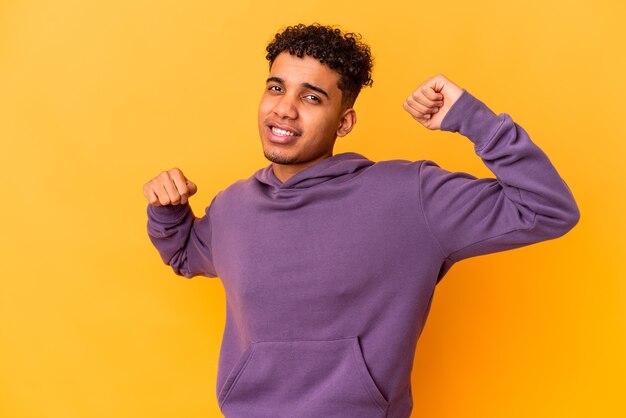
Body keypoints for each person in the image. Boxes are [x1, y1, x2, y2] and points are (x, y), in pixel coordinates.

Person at [143, 23, 579, 418]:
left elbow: (547, 208)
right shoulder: (234, 206)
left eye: (312, 97)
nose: (285, 110)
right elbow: (184, 253)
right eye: (276, 89)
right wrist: (168, 209)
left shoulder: (410, 196)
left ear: (345, 121)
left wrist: (473, 120)